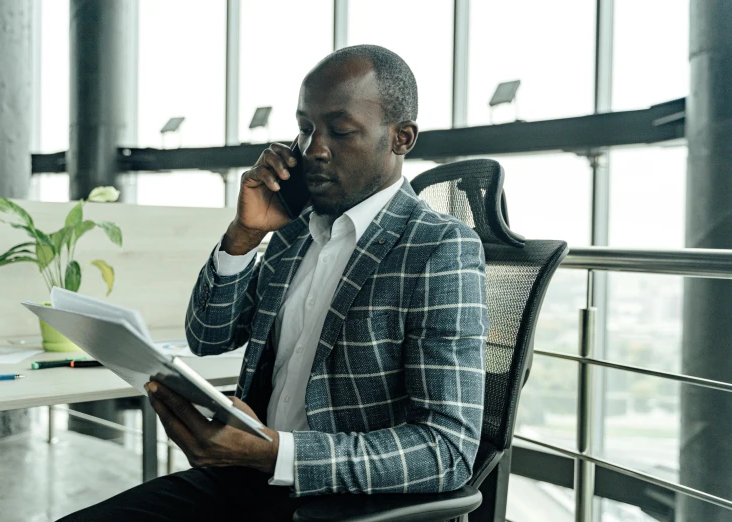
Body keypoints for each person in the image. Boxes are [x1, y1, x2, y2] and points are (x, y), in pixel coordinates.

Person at [62, 44, 487, 522]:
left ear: (401, 137)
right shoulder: (291, 230)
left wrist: (274, 452)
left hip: (338, 503)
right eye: (305, 129)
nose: (313, 151)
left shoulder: (439, 247)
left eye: (340, 131)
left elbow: (446, 450)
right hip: (241, 481)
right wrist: (243, 236)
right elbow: (209, 337)